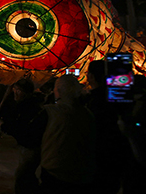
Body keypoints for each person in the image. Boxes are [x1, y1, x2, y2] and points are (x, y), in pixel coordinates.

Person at [39, 75, 96, 194]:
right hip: (82, 173)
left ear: (58, 91)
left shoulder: (50, 112)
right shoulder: (88, 114)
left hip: (54, 171)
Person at [0, 78, 47, 194]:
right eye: (15, 89)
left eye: (19, 90)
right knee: (26, 175)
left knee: (23, 176)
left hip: (31, 145)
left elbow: (18, 128)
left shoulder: (28, 107)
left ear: (26, 92)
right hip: (28, 144)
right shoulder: (25, 104)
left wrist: (1, 124)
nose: (15, 92)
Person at [85, 60, 129, 194]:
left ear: (91, 76)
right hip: (118, 157)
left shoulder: (90, 102)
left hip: (95, 159)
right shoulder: (118, 98)